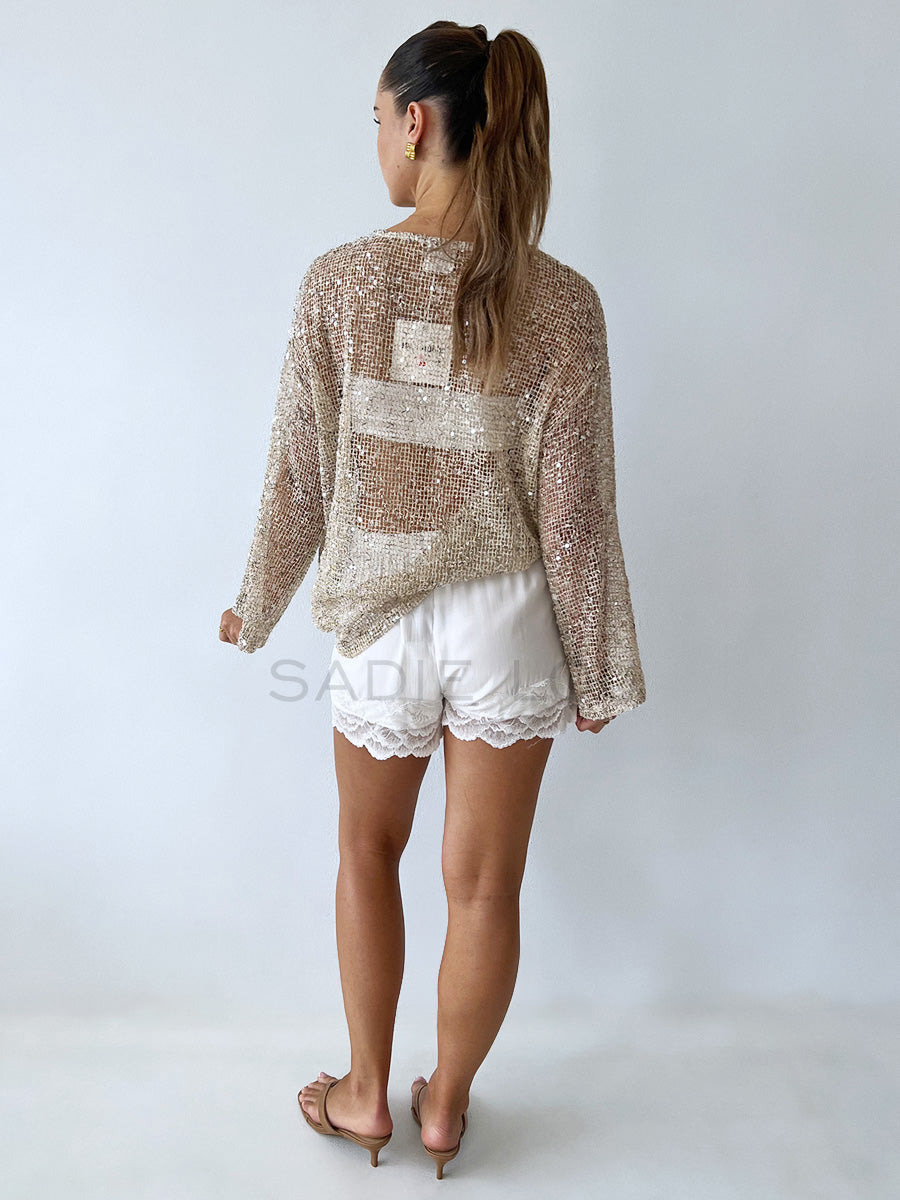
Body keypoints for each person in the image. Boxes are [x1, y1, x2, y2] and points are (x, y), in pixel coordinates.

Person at [218, 20, 646, 1177]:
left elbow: (301, 472)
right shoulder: (564, 303)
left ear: (416, 123)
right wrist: (598, 667)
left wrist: (257, 603)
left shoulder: (341, 282)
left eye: (377, 120)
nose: (377, 141)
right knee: (485, 886)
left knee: (368, 849)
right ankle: (446, 1107)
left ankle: (366, 1094)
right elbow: (576, 512)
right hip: (509, 621)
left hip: (382, 615)